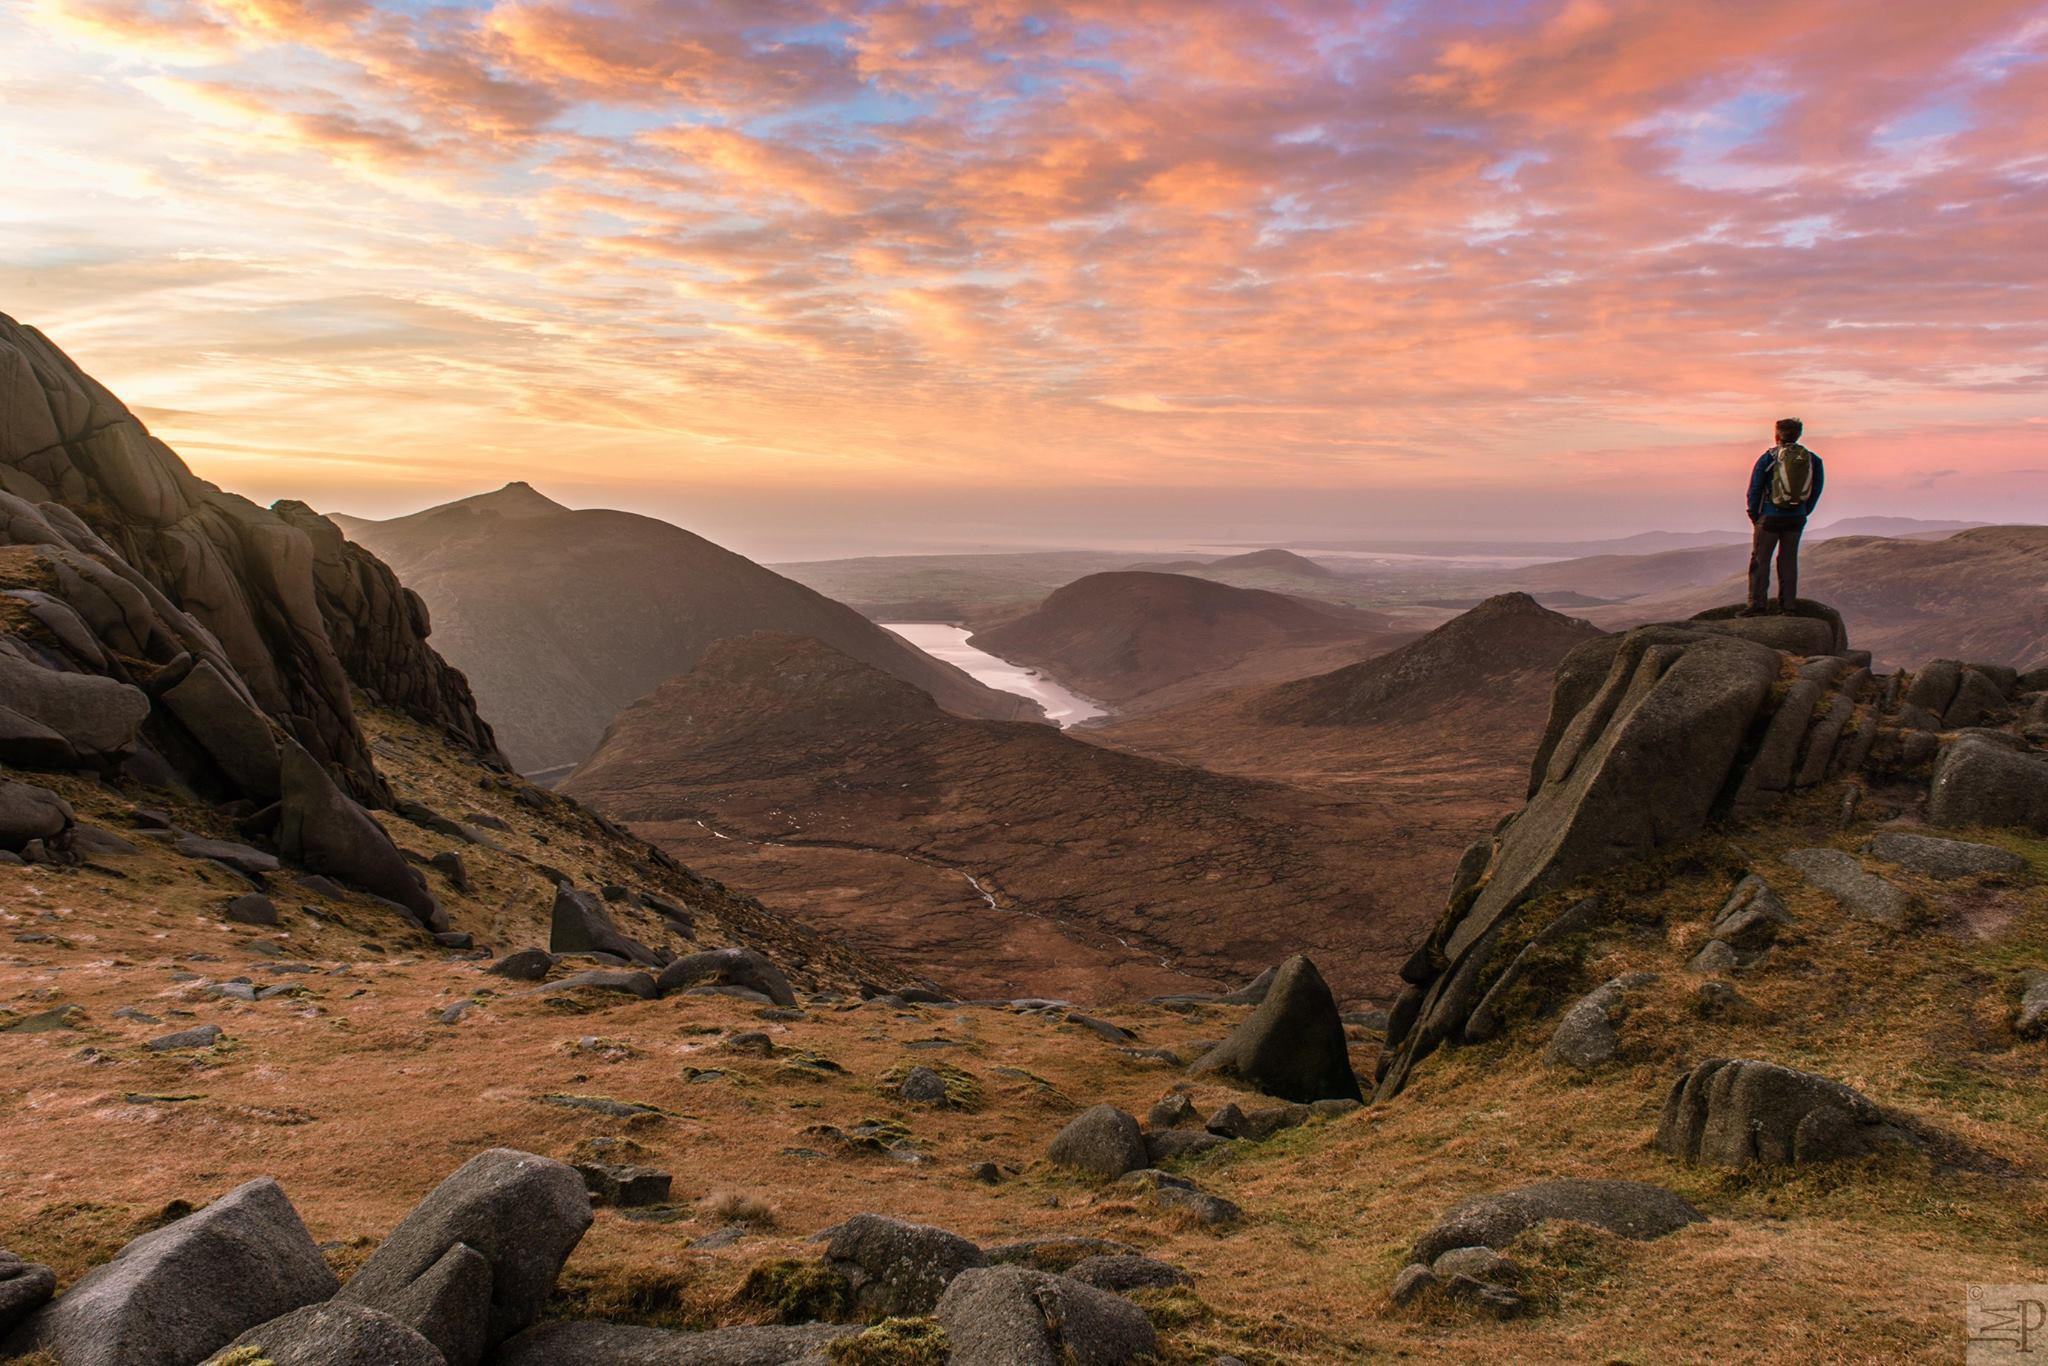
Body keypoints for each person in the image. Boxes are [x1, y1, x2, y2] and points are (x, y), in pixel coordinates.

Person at [1744, 418, 1824, 615]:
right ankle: (1788, 606)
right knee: (1788, 561)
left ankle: (1757, 605)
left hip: (1770, 517)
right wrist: (1804, 511)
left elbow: (1754, 489)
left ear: (1777, 434)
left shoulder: (1769, 458)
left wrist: (1755, 515)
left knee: (1760, 561)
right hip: (1796, 518)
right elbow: (1816, 488)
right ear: (1799, 434)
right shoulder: (1812, 459)